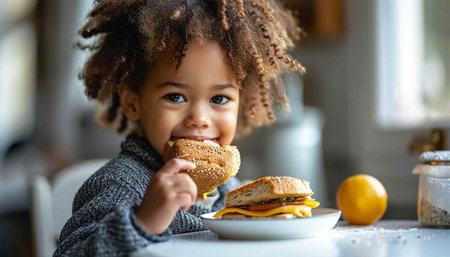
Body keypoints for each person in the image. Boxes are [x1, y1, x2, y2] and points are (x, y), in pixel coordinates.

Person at [54, 0, 305, 256]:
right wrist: (142, 222)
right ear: (132, 103)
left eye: (219, 99)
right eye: (175, 97)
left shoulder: (227, 188)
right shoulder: (120, 185)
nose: (199, 118)